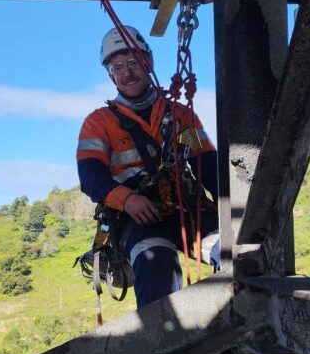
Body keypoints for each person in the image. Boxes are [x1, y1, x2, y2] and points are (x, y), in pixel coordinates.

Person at [77, 25, 219, 308]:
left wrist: (235, 211)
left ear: (148, 63)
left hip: (186, 211)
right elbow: (91, 177)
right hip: (137, 218)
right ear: (111, 76)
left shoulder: (179, 115)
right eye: (118, 67)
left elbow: (208, 167)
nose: (127, 72)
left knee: (234, 252)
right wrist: (127, 200)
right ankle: (167, 348)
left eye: (133, 62)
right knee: (158, 274)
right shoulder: (99, 122)